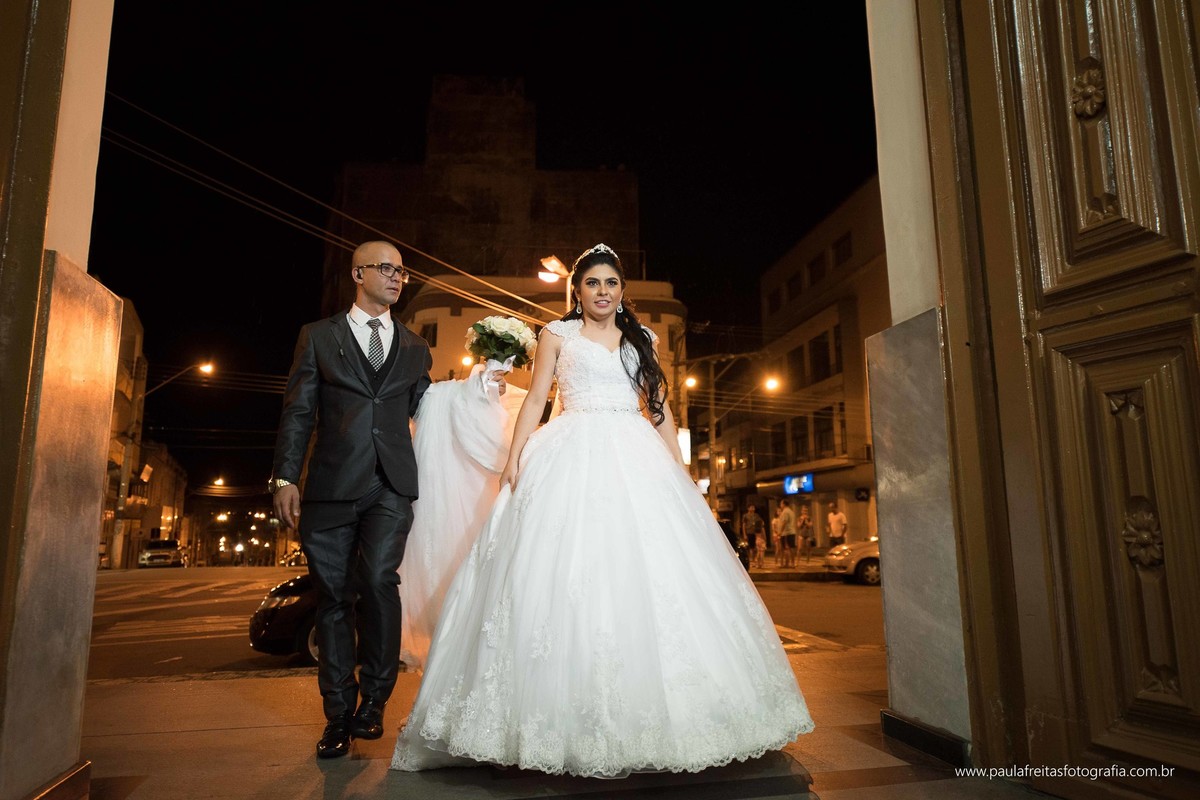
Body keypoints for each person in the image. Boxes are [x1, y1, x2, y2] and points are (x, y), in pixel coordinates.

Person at [392, 243, 813, 778]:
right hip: (569, 450)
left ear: (621, 290)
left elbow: (658, 410)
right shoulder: (557, 335)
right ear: (578, 290)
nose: (603, 291)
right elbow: (538, 399)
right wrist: (514, 458)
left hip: (636, 454)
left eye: (611, 283)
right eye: (592, 282)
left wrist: (680, 473)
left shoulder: (643, 340)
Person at [270, 240, 433, 760]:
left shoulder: (415, 347)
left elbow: (429, 408)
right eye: (386, 268)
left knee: (380, 580)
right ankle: (338, 714)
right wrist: (285, 477)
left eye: (402, 271)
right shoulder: (319, 336)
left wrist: (483, 390)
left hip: (390, 485)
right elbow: (299, 410)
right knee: (334, 597)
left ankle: (375, 700)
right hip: (330, 487)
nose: (397, 277)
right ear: (358, 274)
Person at [742, 503, 766, 568]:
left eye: (753, 507)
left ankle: (756, 560)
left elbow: (761, 523)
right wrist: (744, 534)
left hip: (756, 533)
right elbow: (744, 525)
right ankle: (752, 561)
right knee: (751, 548)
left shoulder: (756, 515)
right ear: (748, 508)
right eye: (751, 507)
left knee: (757, 548)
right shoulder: (745, 516)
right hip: (749, 532)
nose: (753, 509)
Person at [778, 498, 797, 568]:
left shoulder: (785, 512)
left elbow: (784, 522)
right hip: (792, 532)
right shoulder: (791, 511)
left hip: (786, 533)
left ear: (784, 504)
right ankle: (792, 563)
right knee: (791, 548)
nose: (780, 505)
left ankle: (787, 564)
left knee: (785, 549)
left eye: (781, 503)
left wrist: (780, 532)